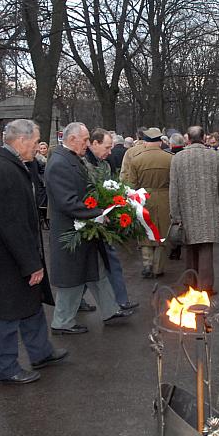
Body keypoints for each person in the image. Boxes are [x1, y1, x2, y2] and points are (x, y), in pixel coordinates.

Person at [0, 119, 67, 385]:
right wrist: (31, 263)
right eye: (35, 142)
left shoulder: (9, 164)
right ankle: (5, 366)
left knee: (30, 303)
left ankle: (41, 352)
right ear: (22, 141)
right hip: (6, 259)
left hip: (10, 254)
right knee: (9, 310)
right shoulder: (4, 170)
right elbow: (11, 224)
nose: (38, 148)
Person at [45, 122, 134, 334]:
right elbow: (68, 202)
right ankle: (62, 322)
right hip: (71, 230)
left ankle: (110, 310)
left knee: (96, 270)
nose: (87, 144)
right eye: (84, 140)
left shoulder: (71, 158)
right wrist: (99, 213)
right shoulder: (59, 163)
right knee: (73, 279)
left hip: (83, 229)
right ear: (72, 139)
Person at [82, 128, 139, 310]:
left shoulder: (104, 164)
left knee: (108, 261)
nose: (110, 152)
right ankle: (75, 303)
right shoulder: (83, 164)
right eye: (107, 147)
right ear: (95, 143)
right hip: (90, 219)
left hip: (103, 219)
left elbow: (109, 187)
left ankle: (121, 300)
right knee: (90, 264)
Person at [169, 126, 219, 293]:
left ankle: (191, 283)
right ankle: (206, 287)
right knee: (205, 249)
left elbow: (174, 189)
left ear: (188, 138)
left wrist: (175, 215)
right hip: (209, 211)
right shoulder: (215, 157)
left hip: (186, 211)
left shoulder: (177, 158)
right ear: (204, 138)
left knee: (190, 248)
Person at [130, 127, 172, 277]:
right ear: (160, 142)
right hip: (164, 199)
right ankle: (158, 268)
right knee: (161, 234)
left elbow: (131, 185)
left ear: (146, 142)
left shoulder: (136, 160)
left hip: (144, 199)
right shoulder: (170, 159)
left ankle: (147, 265)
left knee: (145, 231)